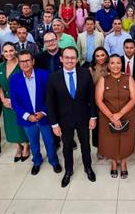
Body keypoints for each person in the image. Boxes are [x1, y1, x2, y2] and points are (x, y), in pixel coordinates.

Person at [47, 47, 97, 186]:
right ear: (61, 59)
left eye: (73, 57)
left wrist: (93, 117)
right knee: (67, 146)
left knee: (85, 145)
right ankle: (69, 170)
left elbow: (91, 98)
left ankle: (88, 167)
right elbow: (50, 103)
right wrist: (54, 124)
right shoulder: (53, 77)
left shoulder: (85, 74)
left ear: (77, 59)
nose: (70, 60)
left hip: (83, 118)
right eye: (67, 57)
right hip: (64, 120)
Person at [9, 50, 61, 176]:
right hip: (28, 120)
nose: (25, 63)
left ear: (33, 61)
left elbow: (51, 97)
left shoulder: (45, 75)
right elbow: (15, 102)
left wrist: (43, 112)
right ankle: (37, 161)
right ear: (19, 63)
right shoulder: (14, 79)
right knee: (33, 143)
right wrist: (27, 116)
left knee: (50, 141)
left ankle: (54, 161)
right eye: (22, 61)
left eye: (28, 60)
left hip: (44, 117)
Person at [95, 54, 135, 179]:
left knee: (125, 141)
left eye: (118, 63)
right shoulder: (103, 79)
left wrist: (120, 114)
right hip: (107, 116)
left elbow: (134, 98)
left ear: (122, 64)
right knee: (110, 140)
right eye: (112, 63)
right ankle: (113, 162)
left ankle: (123, 163)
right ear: (108, 65)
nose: (115, 66)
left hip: (127, 115)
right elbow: (99, 100)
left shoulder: (128, 78)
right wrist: (112, 116)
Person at [0, 43, 30, 162]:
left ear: (15, 51)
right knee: (10, 125)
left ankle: (26, 145)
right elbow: (0, 85)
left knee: (21, 123)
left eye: (11, 50)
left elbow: (26, 84)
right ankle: (18, 146)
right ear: (2, 53)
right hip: (6, 101)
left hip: (20, 99)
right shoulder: (0, 66)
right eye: (5, 51)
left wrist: (13, 100)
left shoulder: (21, 65)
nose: (8, 53)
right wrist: (3, 99)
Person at [89, 47, 109, 154]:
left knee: (106, 125)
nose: (100, 58)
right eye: (97, 56)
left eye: (102, 55)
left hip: (109, 100)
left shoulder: (111, 66)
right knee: (97, 127)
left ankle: (107, 146)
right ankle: (99, 148)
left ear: (106, 55)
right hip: (96, 100)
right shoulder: (91, 68)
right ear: (94, 57)